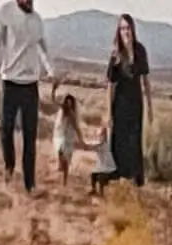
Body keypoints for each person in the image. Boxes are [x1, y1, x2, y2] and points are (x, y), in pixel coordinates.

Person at [0, 0, 51, 194]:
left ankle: (29, 184)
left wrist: (51, 70)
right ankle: (9, 166)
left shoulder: (37, 20)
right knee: (6, 129)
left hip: (31, 85)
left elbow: (43, 49)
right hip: (10, 82)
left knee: (30, 136)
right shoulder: (5, 12)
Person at [91, 15, 151, 190]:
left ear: (133, 29)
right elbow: (110, 85)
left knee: (135, 141)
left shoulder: (140, 51)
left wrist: (150, 107)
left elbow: (146, 80)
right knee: (119, 141)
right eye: (122, 28)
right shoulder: (116, 54)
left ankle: (135, 178)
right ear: (119, 31)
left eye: (128, 28)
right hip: (120, 105)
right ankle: (113, 175)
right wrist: (108, 112)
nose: (126, 32)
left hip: (136, 104)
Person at [52, 91, 84, 184]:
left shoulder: (71, 114)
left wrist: (81, 139)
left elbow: (76, 127)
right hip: (60, 135)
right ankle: (60, 166)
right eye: (67, 102)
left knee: (65, 159)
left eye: (70, 103)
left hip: (68, 138)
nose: (68, 104)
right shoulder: (62, 110)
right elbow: (54, 101)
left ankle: (64, 180)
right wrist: (53, 90)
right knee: (60, 152)